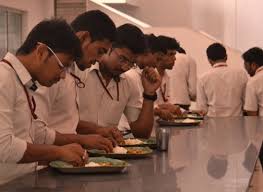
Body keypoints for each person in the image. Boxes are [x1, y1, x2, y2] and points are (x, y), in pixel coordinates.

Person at [0, 19, 100, 184]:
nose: (62, 76)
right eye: (62, 66)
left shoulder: (22, 81)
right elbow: (3, 146)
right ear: (41, 52)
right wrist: (57, 153)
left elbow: (36, 132)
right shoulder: (4, 78)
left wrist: (76, 142)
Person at [34, 11, 123, 145]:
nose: (99, 60)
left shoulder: (75, 69)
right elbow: (36, 131)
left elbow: (65, 121)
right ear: (83, 38)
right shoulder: (50, 70)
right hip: (46, 161)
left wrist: (98, 130)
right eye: (100, 51)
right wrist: (82, 139)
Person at [78, 24, 161, 138]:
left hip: (108, 152)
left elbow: (142, 133)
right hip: (74, 150)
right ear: (109, 47)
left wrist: (149, 94)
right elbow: (62, 121)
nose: (125, 67)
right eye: (122, 59)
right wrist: (98, 130)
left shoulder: (128, 82)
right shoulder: (81, 73)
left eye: (132, 63)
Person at [196, 43, 248, 117]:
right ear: (226, 57)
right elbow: (247, 103)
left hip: (213, 123)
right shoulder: (241, 73)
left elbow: (202, 109)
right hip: (237, 122)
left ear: (209, 60)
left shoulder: (203, 78)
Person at [242, 47, 263, 167]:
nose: (245, 68)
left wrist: (253, 140)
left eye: (246, 64)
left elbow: (251, 113)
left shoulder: (254, 81)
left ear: (253, 65)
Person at [168, 46, 197, 110]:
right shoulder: (190, 59)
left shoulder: (164, 59)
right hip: (182, 102)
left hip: (165, 103)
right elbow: (193, 91)